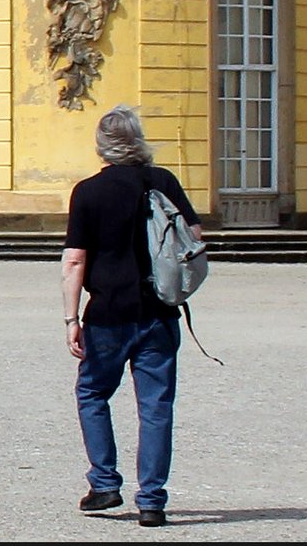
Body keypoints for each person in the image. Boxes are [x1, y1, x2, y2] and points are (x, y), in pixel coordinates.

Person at [61, 104, 202, 528]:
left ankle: (105, 483)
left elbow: (74, 261)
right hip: (159, 310)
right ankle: (153, 500)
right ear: (138, 139)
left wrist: (72, 319)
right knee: (156, 406)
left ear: (102, 146)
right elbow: (193, 237)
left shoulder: (88, 191)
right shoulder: (163, 181)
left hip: (106, 313)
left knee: (92, 393)